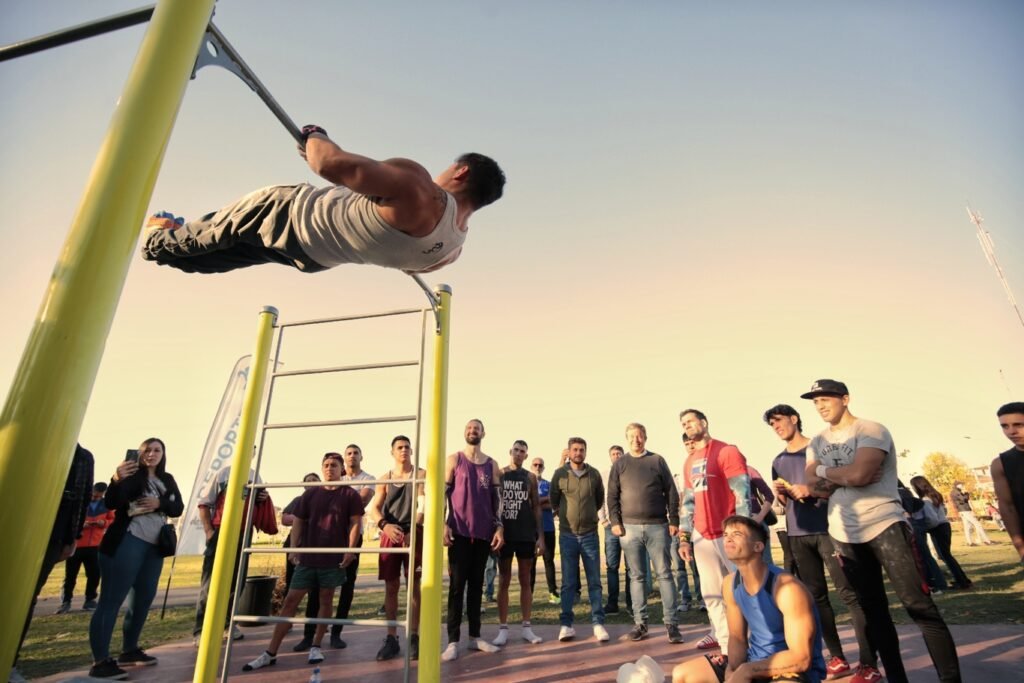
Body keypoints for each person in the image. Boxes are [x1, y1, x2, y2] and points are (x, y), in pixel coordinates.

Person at [142, 126, 505, 275]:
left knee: (214, 232)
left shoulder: (420, 189)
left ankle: (157, 239)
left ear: (460, 172)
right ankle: (166, 247)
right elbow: (403, 259)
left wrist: (316, 134)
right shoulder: (451, 253)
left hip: (289, 215)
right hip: (311, 257)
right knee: (213, 258)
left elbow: (327, 163)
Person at [802, 378, 961, 683]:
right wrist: (840, 475)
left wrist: (828, 474)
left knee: (919, 606)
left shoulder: (871, 430)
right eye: (816, 401)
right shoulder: (817, 442)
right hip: (843, 532)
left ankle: (950, 679)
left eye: (826, 399)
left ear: (845, 399)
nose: (820, 406)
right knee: (874, 613)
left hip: (884, 524)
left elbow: (861, 475)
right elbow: (814, 487)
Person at [765, 403, 868, 679]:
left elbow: (841, 481)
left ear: (794, 418)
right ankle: (837, 657)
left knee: (850, 594)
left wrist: (810, 489)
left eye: (779, 420)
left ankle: (868, 660)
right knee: (815, 598)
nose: (776, 427)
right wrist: (781, 493)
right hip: (798, 534)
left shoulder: (820, 447)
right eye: (772, 424)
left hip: (829, 529)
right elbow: (783, 503)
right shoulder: (777, 460)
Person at [243, 452, 364, 672]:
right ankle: (270, 652)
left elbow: (356, 522)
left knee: (325, 600)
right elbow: (298, 520)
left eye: (334, 465)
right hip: (308, 557)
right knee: (290, 601)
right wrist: (294, 548)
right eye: (326, 465)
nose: (329, 469)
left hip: (333, 558)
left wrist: (350, 549)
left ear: (341, 469)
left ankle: (316, 646)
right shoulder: (310, 494)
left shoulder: (349, 494)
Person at [671, 516, 826, 683]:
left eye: (737, 534)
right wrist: (732, 670)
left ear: (758, 546)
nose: (728, 538)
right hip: (754, 660)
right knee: (682, 674)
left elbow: (801, 659)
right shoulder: (730, 583)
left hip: (788, 668)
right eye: (726, 534)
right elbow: (737, 637)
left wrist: (746, 671)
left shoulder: (787, 588)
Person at [89, 438, 184, 679]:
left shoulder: (167, 479)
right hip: (126, 541)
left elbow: (178, 508)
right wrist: (116, 479)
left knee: (143, 600)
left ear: (163, 453)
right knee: (111, 601)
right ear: (139, 454)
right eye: (147, 450)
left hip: (155, 547)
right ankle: (100, 662)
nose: (152, 454)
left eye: (157, 450)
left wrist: (159, 502)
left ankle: (129, 650)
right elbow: (111, 502)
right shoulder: (130, 476)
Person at [10, 444, 94, 683]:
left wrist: (73, 537)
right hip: (16, 523)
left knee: (26, 598)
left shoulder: (82, 458)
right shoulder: (35, 444)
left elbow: (82, 499)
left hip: (54, 534)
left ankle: (10, 660)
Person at [678, 409, 751, 658]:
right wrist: (684, 538)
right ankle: (726, 647)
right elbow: (688, 503)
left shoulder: (726, 451)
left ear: (704, 422)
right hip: (702, 536)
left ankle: (754, 644)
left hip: (729, 532)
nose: (687, 426)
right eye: (683, 424)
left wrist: (742, 530)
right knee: (712, 595)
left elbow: (742, 494)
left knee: (744, 591)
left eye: (691, 421)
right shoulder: (689, 462)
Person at [608, 423, 684, 644]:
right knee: (636, 576)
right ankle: (640, 624)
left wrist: (674, 520)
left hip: (658, 526)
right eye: (632, 436)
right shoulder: (620, 464)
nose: (636, 440)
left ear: (645, 438)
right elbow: (612, 496)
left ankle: (672, 624)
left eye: (639, 436)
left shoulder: (657, 460)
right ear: (627, 439)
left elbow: (671, 491)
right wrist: (615, 522)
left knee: (664, 574)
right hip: (629, 529)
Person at [192, 465, 276, 647]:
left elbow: (257, 501)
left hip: (244, 532)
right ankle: (201, 629)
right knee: (210, 582)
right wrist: (209, 531)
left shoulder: (255, 475)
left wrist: (262, 497)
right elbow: (204, 503)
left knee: (237, 581)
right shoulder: (223, 473)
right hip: (221, 529)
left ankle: (227, 624)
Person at [442, 419, 504, 662]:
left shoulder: (492, 464)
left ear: (483, 433)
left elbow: (497, 500)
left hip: (483, 534)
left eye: (476, 428)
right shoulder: (454, 460)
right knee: (457, 588)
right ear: (464, 432)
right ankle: (453, 641)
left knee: (477, 587)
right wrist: (442, 523)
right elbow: (442, 494)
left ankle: (475, 637)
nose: (472, 431)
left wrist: (499, 527)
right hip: (459, 533)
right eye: (469, 428)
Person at [368, 435, 425, 661]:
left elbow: (423, 504)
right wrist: (385, 525)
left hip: (414, 533)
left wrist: (415, 528)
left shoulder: (421, 475)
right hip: (391, 533)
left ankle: (414, 636)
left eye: (407, 447)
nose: (404, 450)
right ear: (392, 452)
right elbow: (374, 509)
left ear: (412, 451)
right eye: (399, 447)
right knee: (391, 586)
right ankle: (391, 637)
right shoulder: (385, 479)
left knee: (414, 585)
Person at [549, 437, 609, 643]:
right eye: (574, 449)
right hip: (567, 536)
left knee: (595, 582)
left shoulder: (594, 474)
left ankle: (598, 624)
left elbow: (599, 500)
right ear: (569, 452)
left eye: (581, 449)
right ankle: (566, 625)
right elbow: (554, 501)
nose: (578, 453)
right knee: (568, 584)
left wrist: (589, 516)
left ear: (586, 452)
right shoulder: (560, 474)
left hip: (590, 535)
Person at [493, 440, 545, 646]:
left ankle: (526, 627)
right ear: (510, 451)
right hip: (505, 533)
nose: (518, 453)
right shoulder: (500, 473)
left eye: (522, 451)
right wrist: (495, 529)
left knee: (525, 579)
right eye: (516, 450)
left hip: (525, 533)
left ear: (526, 455)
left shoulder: (530, 477)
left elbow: (537, 507)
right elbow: (494, 503)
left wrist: (540, 536)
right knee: (503, 579)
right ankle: (503, 628)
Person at [280, 471, 322, 648]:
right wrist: (301, 517)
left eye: (314, 480)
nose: (311, 483)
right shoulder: (298, 500)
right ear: (304, 485)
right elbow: (284, 518)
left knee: (316, 590)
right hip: (295, 546)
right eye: (308, 481)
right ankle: (287, 621)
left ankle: (314, 624)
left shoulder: (323, 500)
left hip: (315, 547)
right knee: (291, 585)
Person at [58, 481, 114, 613]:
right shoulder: (81, 503)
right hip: (77, 545)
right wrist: (81, 525)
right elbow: (70, 519)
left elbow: (113, 519)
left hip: (95, 545)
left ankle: (90, 600)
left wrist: (104, 522)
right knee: (70, 575)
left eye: (99, 496)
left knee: (94, 574)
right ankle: (66, 601)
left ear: (103, 494)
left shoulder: (106, 505)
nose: (96, 498)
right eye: (94, 495)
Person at [601, 445, 643, 616]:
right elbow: (601, 498)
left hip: (629, 525)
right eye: (613, 454)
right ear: (610, 456)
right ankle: (612, 604)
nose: (616, 456)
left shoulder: (631, 472)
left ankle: (631, 604)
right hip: (610, 526)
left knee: (631, 567)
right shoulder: (604, 474)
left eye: (619, 453)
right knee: (612, 566)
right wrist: (603, 519)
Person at [910, 475, 972, 589]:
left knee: (945, 556)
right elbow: (943, 511)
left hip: (938, 528)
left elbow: (933, 519)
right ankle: (963, 580)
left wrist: (925, 528)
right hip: (944, 526)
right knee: (947, 555)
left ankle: (962, 582)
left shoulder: (925, 501)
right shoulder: (935, 496)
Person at [991, 402, 1024, 568]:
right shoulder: (1001, 464)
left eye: (1018, 424)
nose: (1011, 431)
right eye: (1005, 426)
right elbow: (1007, 507)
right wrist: (1020, 547)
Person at [529, 456, 559, 603]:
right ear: (531, 466)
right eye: (535, 464)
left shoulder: (549, 484)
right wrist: (544, 500)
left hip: (548, 528)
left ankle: (553, 593)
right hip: (530, 529)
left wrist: (536, 503)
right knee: (530, 563)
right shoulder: (526, 484)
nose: (537, 467)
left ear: (544, 467)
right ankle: (529, 593)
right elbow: (527, 503)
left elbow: (554, 503)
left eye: (540, 465)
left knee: (549, 561)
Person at [949, 481, 992, 546]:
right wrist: (966, 493)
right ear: (957, 485)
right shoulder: (956, 492)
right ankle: (986, 540)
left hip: (963, 510)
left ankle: (970, 542)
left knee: (967, 527)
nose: (962, 486)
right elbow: (963, 499)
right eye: (961, 485)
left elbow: (963, 500)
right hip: (965, 510)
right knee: (977, 524)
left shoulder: (956, 492)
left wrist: (965, 494)